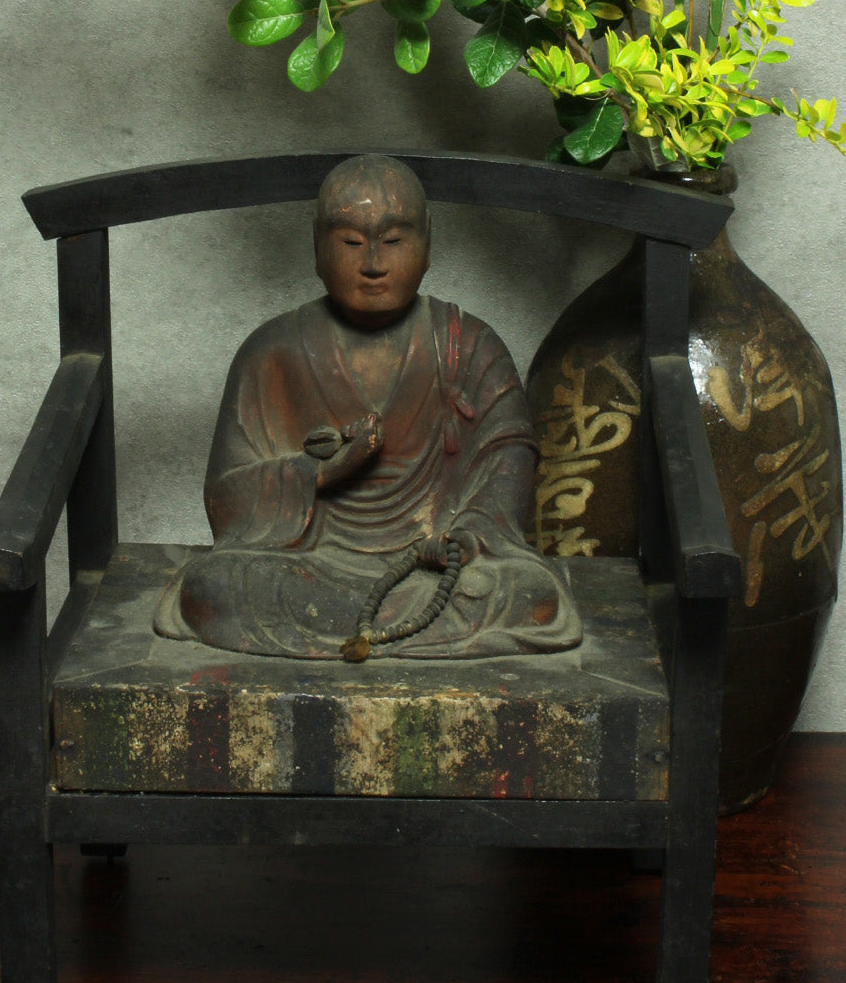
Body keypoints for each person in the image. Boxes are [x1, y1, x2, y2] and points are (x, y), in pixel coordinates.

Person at [154, 155, 582, 659]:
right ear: (316, 247)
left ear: (428, 245)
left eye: (395, 240)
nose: (374, 262)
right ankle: (399, 631)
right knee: (211, 587)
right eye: (351, 242)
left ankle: (369, 626)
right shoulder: (270, 352)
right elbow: (226, 500)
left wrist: (468, 538)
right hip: (311, 566)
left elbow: (507, 458)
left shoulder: (468, 345)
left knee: (530, 595)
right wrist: (316, 473)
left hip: (433, 570)